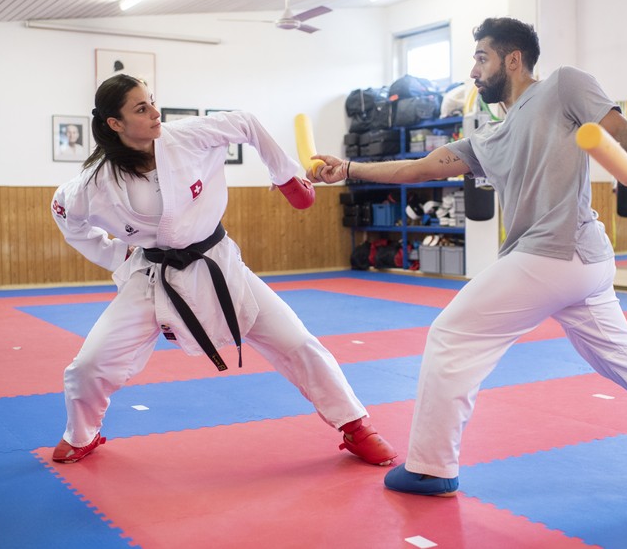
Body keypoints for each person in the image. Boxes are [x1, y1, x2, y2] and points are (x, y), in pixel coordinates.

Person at [311, 17, 627, 497]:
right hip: (581, 263)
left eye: (482, 58)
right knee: (621, 356)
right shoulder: (490, 136)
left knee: (451, 335)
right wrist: (351, 168)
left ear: (513, 59)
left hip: (553, 253)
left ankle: (430, 467)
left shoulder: (563, 86)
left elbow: (626, 132)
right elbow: (419, 166)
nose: (475, 71)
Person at [49, 74, 396, 467]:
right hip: (151, 277)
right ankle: (81, 434)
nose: (155, 113)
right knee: (90, 364)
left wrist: (285, 176)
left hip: (218, 264)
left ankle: (355, 425)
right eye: (141, 108)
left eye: (152, 101)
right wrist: (115, 255)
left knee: (297, 342)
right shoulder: (93, 185)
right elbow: (65, 216)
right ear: (115, 123)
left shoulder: (185, 137)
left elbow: (246, 122)